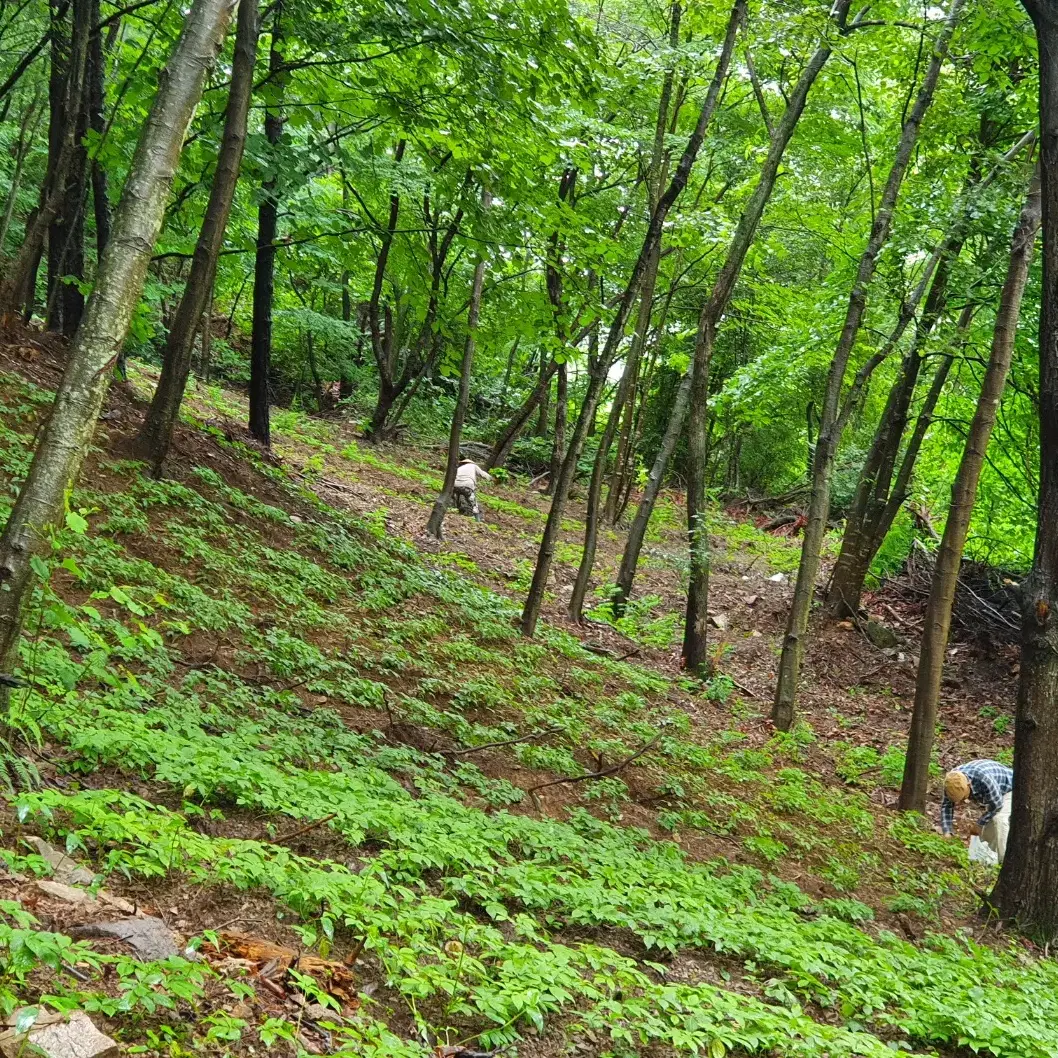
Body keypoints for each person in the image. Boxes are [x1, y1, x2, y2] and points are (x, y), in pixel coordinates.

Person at [940, 759, 1013, 864]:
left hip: (1010, 788)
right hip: (995, 795)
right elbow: (947, 806)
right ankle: (991, 858)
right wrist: (947, 832)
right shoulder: (951, 782)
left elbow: (997, 805)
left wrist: (979, 823)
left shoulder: (983, 779)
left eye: (963, 797)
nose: (961, 802)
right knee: (988, 831)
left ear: (969, 784)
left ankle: (1005, 863)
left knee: (998, 819)